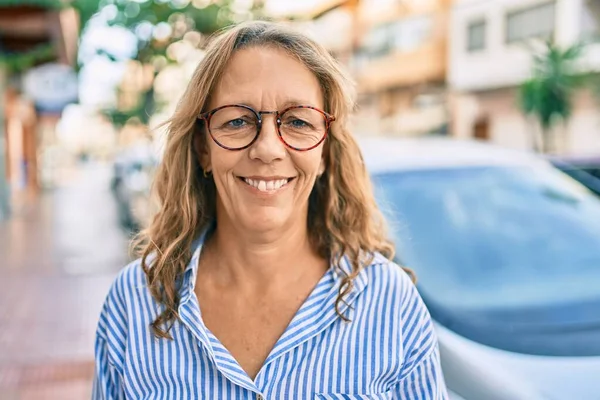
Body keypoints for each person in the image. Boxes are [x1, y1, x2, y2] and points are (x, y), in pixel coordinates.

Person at [93, 21, 448, 399]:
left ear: (325, 150)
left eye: (298, 121)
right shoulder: (133, 303)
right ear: (202, 149)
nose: (268, 149)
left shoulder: (389, 303)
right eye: (237, 121)